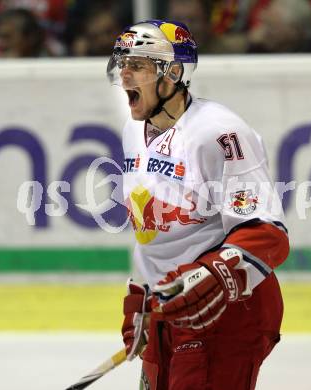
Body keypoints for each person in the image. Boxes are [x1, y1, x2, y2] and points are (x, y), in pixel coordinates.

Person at [107, 19, 289, 389]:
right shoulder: (133, 129)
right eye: (122, 63)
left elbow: (268, 234)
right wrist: (144, 292)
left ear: (173, 72)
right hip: (169, 306)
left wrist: (212, 276)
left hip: (229, 311)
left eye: (138, 65)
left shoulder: (220, 133)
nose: (124, 75)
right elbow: (152, 225)